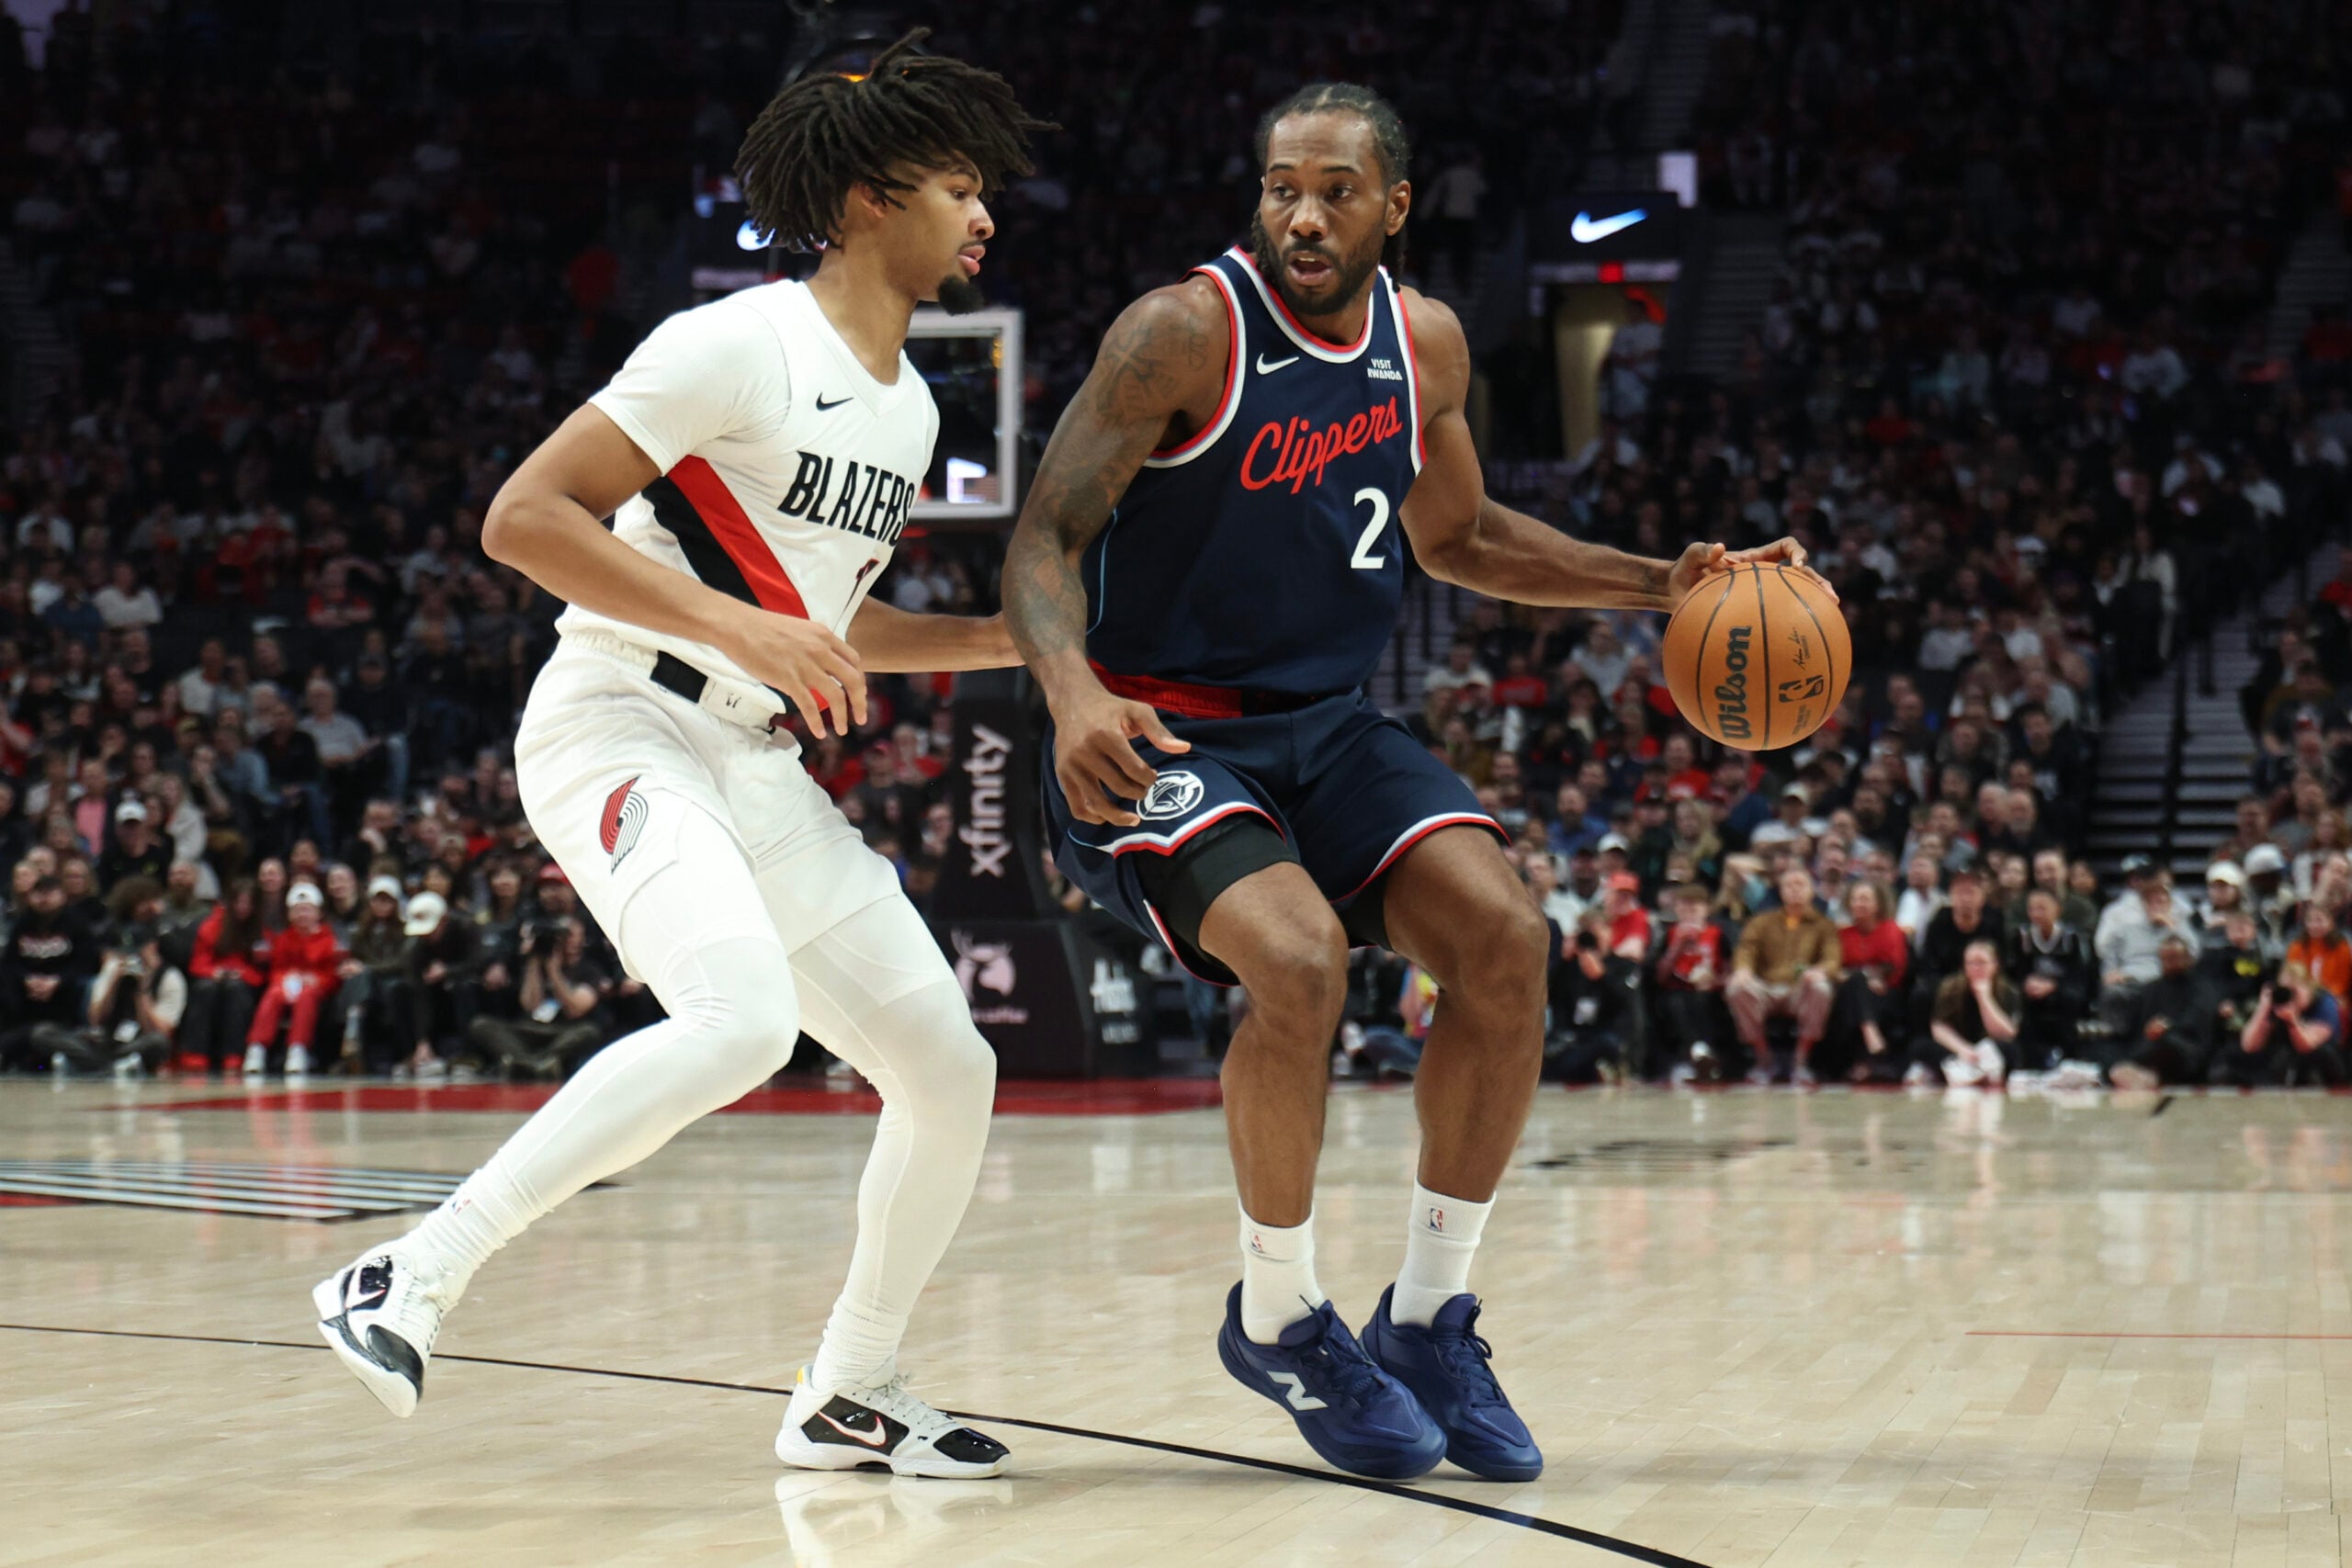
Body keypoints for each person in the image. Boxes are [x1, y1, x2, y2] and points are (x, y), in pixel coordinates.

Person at [1001, 78, 1817, 1482]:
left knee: (1507, 939)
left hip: (1321, 723)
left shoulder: (1422, 342)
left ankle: (1432, 1314)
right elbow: (1040, 538)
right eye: (1278, 186)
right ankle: (1277, 1313)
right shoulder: (1183, 331)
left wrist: (1657, 582)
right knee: (1300, 958)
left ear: (1395, 203)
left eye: (1331, 189)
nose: (1300, 213)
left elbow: (1462, 537)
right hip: (1159, 732)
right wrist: (1073, 692)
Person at [310, 35, 1047, 1480]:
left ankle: (851, 1386)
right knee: (738, 1020)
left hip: (755, 761)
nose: (986, 216)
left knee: (950, 1067)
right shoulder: (733, 341)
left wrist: (1013, 642)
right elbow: (525, 519)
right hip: (618, 720)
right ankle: (407, 1271)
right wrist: (740, 626)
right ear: (869, 201)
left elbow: (831, 623)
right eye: (961, 186)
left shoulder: (911, 408)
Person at [1724, 864, 1843, 1086]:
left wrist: (1819, 971)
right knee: (1737, 988)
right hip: (1766, 986)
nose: (1795, 890)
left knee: (1821, 988)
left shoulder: (1824, 925)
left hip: (1800, 988)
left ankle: (1801, 1061)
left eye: (1800, 884)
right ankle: (1763, 1059)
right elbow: (1746, 950)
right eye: (1789, 885)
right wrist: (1743, 970)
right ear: (1780, 891)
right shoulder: (1762, 921)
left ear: (1811, 890)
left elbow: (1832, 960)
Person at [243, 882, 344, 1077]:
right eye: (298, 911)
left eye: (307, 910)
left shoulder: (328, 940)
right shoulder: (284, 940)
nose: (302, 915)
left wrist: (316, 980)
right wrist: (285, 981)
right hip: (287, 986)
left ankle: (297, 1049)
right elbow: (276, 970)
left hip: (316, 990)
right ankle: (257, 1048)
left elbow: (333, 975)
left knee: (307, 995)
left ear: (317, 913)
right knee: (272, 994)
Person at [2109, 934, 2218, 1089]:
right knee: (2112, 1049)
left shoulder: (2202, 988)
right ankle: (2141, 1074)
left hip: (2189, 1046)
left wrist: (2167, 1028)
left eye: (2174, 957)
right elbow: (2137, 1025)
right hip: (2152, 1044)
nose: (2169, 963)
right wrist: (2149, 1032)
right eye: (2165, 959)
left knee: (2169, 1044)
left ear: (2188, 959)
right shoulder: (2151, 989)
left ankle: (2150, 1078)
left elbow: (2196, 1020)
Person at [2007, 887, 2095, 1071]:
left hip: (2063, 993)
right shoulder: (2023, 937)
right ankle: (2030, 1063)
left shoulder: (2072, 938)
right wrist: (2028, 983)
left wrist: (2053, 985)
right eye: (2032, 909)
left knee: (2070, 999)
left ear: (2058, 909)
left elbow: (2079, 976)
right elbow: (2018, 972)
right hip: (2034, 994)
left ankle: (2070, 1060)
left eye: (2042, 908)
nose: (2036, 914)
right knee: (2023, 1005)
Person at [2225, 961, 2347, 1087]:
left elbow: (2306, 1046)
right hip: (2286, 1057)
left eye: (2294, 990)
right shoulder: (2278, 1002)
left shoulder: (2324, 1003)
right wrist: (2263, 1008)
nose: (2290, 996)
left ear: (2308, 987)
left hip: (2322, 1062)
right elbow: (2249, 1045)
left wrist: (2293, 1021)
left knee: (2318, 1057)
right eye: (2286, 990)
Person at [1653, 882, 1729, 1082]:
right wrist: (1677, 947)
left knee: (1703, 1003)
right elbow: (1660, 975)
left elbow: (1730, 971)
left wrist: (1715, 981)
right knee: (1677, 1004)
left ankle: (1705, 1054)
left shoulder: (1718, 934)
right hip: (1676, 989)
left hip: (1709, 990)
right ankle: (1693, 1055)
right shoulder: (1670, 934)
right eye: (1684, 909)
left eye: (1694, 908)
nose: (1690, 914)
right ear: (1677, 910)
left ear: (1706, 909)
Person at [1836, 880, 1908, 1080]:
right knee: (1855, 984)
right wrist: (1867, 976)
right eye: (1855, 899)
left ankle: (1863, 1060)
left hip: (1887, 993)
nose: (1860, 903)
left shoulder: (1891, 929)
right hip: (1853, 994)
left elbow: (1895, 967)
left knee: (1857, 984)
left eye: (1865, 899)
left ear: (1878, 904)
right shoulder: (1843, 935)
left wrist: (1867, 976)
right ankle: (1870, 1037)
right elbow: (1837, 970)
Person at [1925, 940, 2020, 1087]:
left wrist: (1985, 998)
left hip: (1992, 1047)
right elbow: (1939, 1027)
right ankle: (1958, 1072)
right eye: (1970, 963)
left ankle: (1986, 1073)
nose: (1976, 968)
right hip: (1959, 1047)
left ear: (1995, 965)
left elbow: (2007, 1033)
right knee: (1921, 1046)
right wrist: (1963, 1049)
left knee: (2011, 1050)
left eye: (1982, 962)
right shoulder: (1950, 987)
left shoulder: (2009, 991)